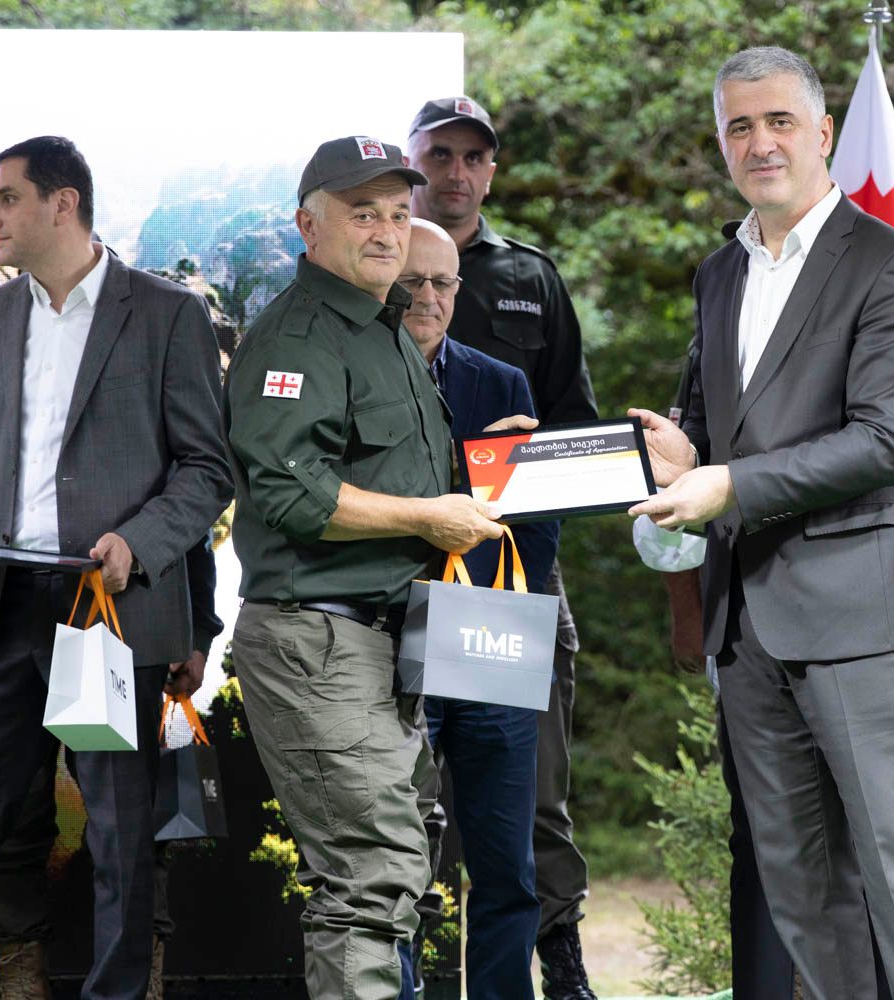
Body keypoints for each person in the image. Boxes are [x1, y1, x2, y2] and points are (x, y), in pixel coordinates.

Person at [627, 46, 894, 1000]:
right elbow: (722, 435)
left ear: (822, 133)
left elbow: (883, 442)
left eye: (779, 121)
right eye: (739, 126)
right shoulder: (718, 273)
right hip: (747, 630)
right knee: (802, 894)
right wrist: (682, 457)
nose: (760, 143)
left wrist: (726, 485)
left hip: (864, 620)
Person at [0, 135, 233, 1000]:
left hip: (106, 616)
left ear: (63, 204)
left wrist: (140, 541)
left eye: (6, 198)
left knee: (120, 838)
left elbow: (206, 469)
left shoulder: (168, 313)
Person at [222, 136, 528, 1000]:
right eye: (363, 214)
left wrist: (491, 468)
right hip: (320, 642)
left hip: (386, 642)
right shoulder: (298, 337)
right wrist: (431, 517)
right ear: (308, 227)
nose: (388, 231)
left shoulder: (381, 326)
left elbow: (392, 473)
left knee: (397, 869)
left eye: (398, 212)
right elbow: (296, 495)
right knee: (369, 878)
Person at [0, 371, 222, 1000]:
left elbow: (188, 498)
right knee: (8, 818)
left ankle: (141, 976)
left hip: (116, 624)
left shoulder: (140, 367)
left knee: (131, 824)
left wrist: (198, 626)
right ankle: (20, 973)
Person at [407, 95, 600, 999]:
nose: (456, 171)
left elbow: (573, 435)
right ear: (412, 163)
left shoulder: (530, 275)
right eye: (438, 154)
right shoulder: (375, 269)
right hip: (402, 580)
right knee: (409, 801)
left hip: (512, 585)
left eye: (473, 157)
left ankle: (557, 957)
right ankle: (418, 964)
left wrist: (523, 564)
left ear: (491, 170)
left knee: (531, 793)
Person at [394, 218, 560, 1000]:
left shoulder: (501, 383)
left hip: (490, 637)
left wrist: (508, 603)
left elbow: (538, 522)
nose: (427, 298)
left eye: (442, 283)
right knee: (397, 859)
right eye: (411, 283)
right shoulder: (355, 376)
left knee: (505, 862)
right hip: (393, 640)